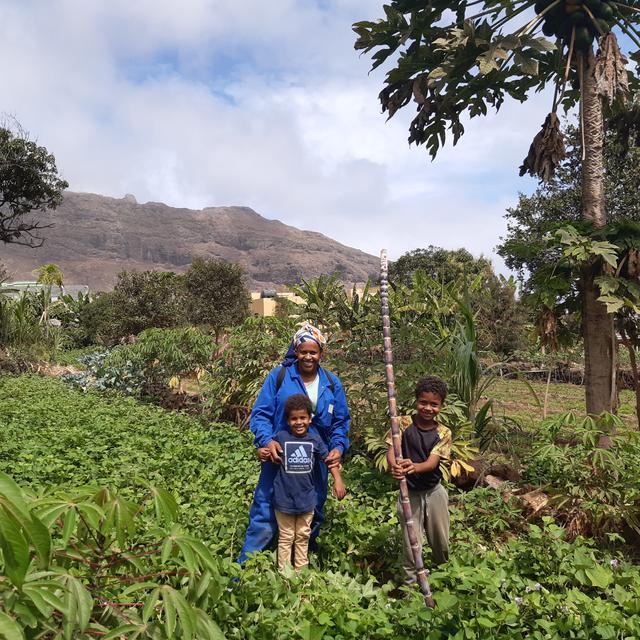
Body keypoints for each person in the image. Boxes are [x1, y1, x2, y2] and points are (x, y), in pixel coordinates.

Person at [238, 323, 350, 563]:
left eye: (313, 352)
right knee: (265, 512)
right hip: (279, 459)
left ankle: (299, 568)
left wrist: (338, 447)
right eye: (303, 351)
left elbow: (341, 421)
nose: (308, 357)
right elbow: (261, 414)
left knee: (313, 510)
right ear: (296, 351)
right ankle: (245, 571)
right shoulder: (279, 377)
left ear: (321, 353)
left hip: (315, 464)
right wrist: (267, 441)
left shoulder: (331, 383)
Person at [269, 394, 346, 571]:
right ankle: (284, 574)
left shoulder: (315, 440)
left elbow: (329, 460)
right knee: (286, 537)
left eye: (303, 417)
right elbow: (267, 450)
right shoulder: (280, 437)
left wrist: (338, 480)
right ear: (287, 420)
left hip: (307, 499)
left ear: (310, 419)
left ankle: (301, 573)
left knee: (303, 535)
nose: (299, 422)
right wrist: (263, 451)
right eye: (294, 418)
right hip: (283, 499)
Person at [386, 376, 451, 585]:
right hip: (409, 494)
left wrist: (413, 467)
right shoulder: (402, 424)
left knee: (440, 539)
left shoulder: (443, 432)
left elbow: (432, 463)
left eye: (434, 404)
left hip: (434, 492)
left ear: (441, 406)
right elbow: (391, 450)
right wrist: (394, 465)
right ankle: (411, 585)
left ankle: (445, 576)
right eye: (423, 402)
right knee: (410, 543)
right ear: (416, 401)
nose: (428, 408)